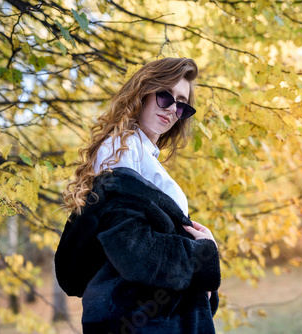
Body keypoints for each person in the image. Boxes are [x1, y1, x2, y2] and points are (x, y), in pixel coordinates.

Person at [55, 57, 221, 334]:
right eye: (165, 96)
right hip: (138, 318)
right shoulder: (120, 149)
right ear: (143, 92)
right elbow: (131, 245)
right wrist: (202, 258)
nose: (172, 109)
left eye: (181, 104)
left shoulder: (142, 155)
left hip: (159, 316)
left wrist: (200, 276)